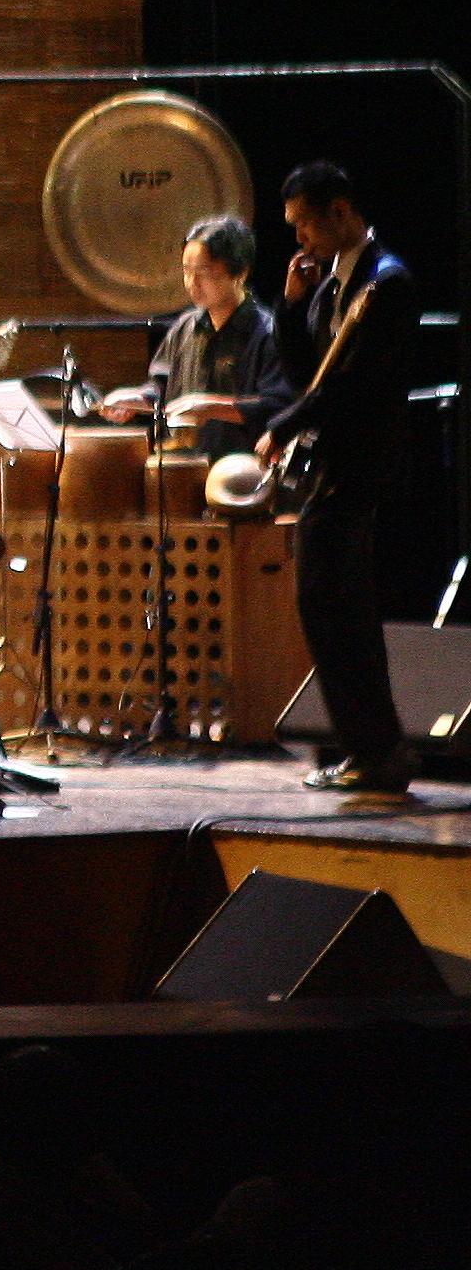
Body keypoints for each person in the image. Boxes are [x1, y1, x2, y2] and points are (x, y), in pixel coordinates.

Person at [258, 161, 421, 796]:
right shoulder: (331, 287)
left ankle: (374, 751)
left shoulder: (388, 283)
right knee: (329, 607)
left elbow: (349, 384)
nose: (299, 239)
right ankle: (369, 750)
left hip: (360, 464)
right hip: (332, 462)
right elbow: (305, 371)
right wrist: (291, 304)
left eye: (304, 225)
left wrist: (282, 425)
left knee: (334, 605)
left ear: (340, 213)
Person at [96, 212, 294, 460]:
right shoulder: (184, 327)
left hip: (241, 471)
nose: (192, 283)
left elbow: (279, 406)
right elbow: (161, 386)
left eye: (203, 272)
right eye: (187, 271)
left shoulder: (268, 332)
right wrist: (138, 399)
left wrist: (211, 407)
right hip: (181, 464)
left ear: (240, 272)